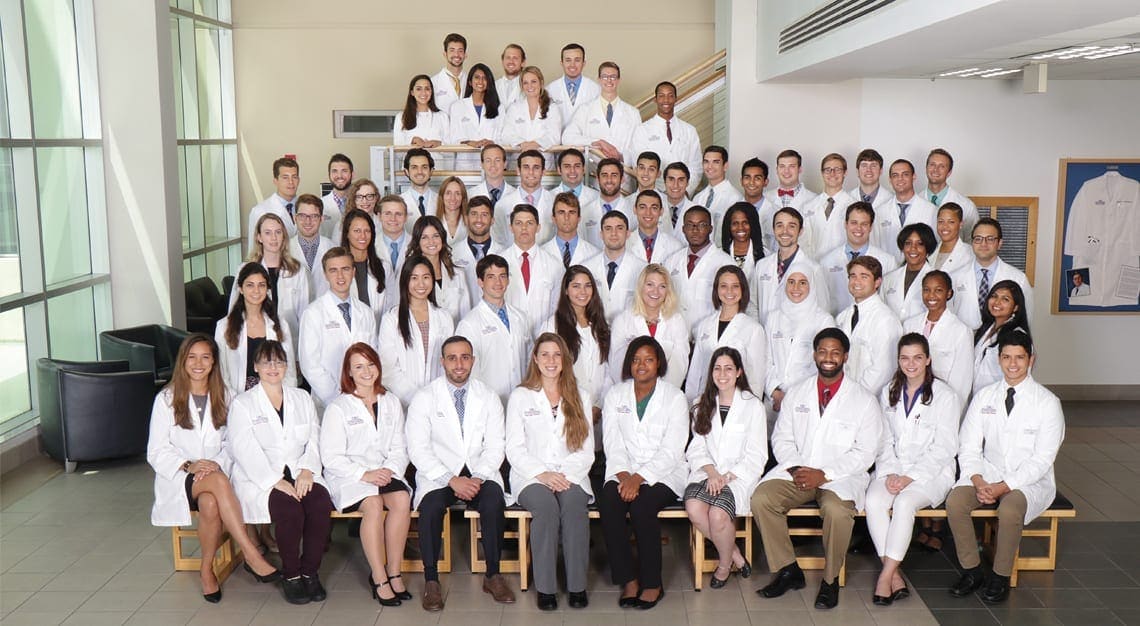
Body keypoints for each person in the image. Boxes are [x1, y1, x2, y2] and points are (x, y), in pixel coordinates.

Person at [751, 328, 882, 610]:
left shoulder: (863, 400)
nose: (828, 357)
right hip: (798, 471)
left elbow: (865, 453)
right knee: (762, 499)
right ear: (814, 354)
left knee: (836, 511)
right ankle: (788, 570)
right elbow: (781, 437)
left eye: (835, 352)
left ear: (845, 356)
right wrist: (799, 467)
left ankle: (830, 580)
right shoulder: (797, 392)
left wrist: (824, 475)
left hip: (839, 478)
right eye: (822, 351)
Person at [147, 334, 282, 602]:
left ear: (214, 362)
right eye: (192, 357)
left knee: (210, 502)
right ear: (183, 361)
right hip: (179, 477)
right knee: (217, 483)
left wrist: (216, 463)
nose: (199, 363)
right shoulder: (166, 399)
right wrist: (189, 464)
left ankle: (206, 569)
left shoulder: (228, 396)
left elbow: (235, 442)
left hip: (217, 474)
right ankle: (251, 553)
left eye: (206, 357)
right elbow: (156, 451)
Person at [947, 332, 1063, 604]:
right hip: (987, 473)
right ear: (999, 360)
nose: (1013, 364)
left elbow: (1042, 460)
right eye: (1007, 357)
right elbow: (969, 447)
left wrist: (1003, 487)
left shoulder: (1047, 403)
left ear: (1031, 360)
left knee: (1010, 508)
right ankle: (972, 571)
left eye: (1019, 357)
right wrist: (977, 480)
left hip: (1029, 481)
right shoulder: (984, 397)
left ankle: (999, 576)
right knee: (955, 502)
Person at [406, 336, 516, 611]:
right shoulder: (425, 397)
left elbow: (495, 446)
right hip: (440, 474)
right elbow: (417, 449)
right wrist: (451, 480)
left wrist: (477, 477)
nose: (459, 363)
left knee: (492, 502)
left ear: (473, 360)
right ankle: (431, 580)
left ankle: (493, 574)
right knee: (430, 508)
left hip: (480, 472)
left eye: (465, 357)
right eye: (452, 358)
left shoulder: (488, 396)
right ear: (442, 361)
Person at [228, 340, 334, 605]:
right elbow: (244, 449)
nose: (273, 367)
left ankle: (310, 571)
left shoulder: (302, 397)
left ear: (287, 365)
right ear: (255, 366)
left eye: (278, 361)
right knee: (290, 510)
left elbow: (314, 436)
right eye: (266, 361)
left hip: (301, 471)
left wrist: (308, 470)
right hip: (262, 478)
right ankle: (292, 575)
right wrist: (275, 481)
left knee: (320, 504)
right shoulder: (244, 404)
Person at [865, 333, 961, 605]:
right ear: (898, 360)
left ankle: (885, 577)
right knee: (873, 500)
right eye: (905, 358)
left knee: (905, 504)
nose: (911, 364)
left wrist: (909, 477)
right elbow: (883, 440)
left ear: (928, 359)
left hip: (931, 473)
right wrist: (893, 472)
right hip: (893, 469)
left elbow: (945, 448)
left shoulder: (945, 396)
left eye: (918, 358)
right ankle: (894, 574)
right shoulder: (888, 392)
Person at [506, 333, 595, 611]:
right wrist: (543, 474)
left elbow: (586, 449)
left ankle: (576, 585)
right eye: (544, 354)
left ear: (565, 359)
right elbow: (514, 448)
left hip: (571, 473)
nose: (551, 360)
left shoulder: (581, 395)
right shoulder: (521, 396)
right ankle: (545, 588)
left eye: (557, 354)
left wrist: (563, 475)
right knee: (545, 509)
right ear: (535, 358)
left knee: (574, 506)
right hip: (531, 474)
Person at [319, 343, 412, 606]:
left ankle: (395, 571)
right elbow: (332, 457)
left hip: (385, 470)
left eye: (370, 364)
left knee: (401, 501)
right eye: (358, 366)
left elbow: (400, 446)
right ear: (348, 373)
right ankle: (379, 576)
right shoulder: (339, 407)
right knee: (372, 504)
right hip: (350, 475)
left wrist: (389, 470)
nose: (366, 371)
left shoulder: (391, 401)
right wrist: (365, 474)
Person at [599, 337, 689, 610]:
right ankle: (628, 580)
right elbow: (612, 443)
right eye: (636, 359)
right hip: (622, 468)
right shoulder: (616, 395)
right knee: (610, 502)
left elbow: (673, 450)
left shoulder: (674, 397)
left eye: (648, 359)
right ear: (629, 363)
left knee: (641, 506)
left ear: (658, 363)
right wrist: (625, 475)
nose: (641, 365)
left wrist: (639, 478)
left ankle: (652, 583)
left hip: (665, 473)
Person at [684, 347, 767, 588]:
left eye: (729, 368)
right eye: (717, 368)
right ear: (711, 373)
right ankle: (735, 556)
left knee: (718, 514)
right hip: (707, 473)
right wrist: (712, 473)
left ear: (739, 372)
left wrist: (726, 477)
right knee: (694, 508)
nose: (722, 374)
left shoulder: (753, 406)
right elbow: (696, 447)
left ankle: (723, 564)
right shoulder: (702, 403)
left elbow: (757, 455)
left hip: (738, 477)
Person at [298, 247, 378, 411]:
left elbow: (373, 357)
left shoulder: (366, 312)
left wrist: (361, 393)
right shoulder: (313, 313)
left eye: (345, 269)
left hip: (364, 398)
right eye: (333, 270)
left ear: (354, 271)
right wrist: (338, 397)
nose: (340, 276)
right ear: (325, 274)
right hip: (328, 400)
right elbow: (310, 365)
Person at [456, 254, 534, 404]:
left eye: (502, 276)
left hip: (522, 400)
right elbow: (468, 371)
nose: (498, 282)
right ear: (480, 282)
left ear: (508, 280)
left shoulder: (521, 317)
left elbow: (530, 358)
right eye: (491, 276)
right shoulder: (469, 324)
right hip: (488, 403)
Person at [378, 256, 456, 405]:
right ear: (405, 281)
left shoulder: (444, 317)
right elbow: (388, 369)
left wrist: (435, 397)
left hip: (439, 400)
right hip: (404, 402)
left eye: (426, 277)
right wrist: (418, 398)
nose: (421, 283)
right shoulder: (391, 319)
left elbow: (448, 362)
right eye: (414, 278)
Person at [764, 262, 836, 418]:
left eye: (802, 282)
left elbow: (824, 364)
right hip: (775, 400)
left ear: (811, 286)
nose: (796, 288)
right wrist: (774, 392)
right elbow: (765, 360)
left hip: (807, 399)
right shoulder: (773, 317)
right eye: (791, 282)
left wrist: (792, 396)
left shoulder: (823, 320)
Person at [686, 265, 767, 402]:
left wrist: (751, 409)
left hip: (737, 403)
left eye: (735, 286)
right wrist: (690, 405)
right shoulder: (704, 325)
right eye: (723, 286)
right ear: (716, 289)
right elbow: (695, 372)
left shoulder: (753, 329)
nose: (729, 291)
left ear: (743, 290)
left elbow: (756, 379)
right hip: (704, 401)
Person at [541, 266, 611, 421]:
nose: (583, 292)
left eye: (587, 286)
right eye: (576, 286)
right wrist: (577, 405)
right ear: (566, 290)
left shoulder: (601, 325)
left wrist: (599, 405)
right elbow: (546, 371)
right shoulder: (552, 326)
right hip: (567, 409)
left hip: (600, 409)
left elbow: (608, 369)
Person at [216, 263, 296, 394]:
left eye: (261, 285)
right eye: (250, 285)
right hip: (237, 399)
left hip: (274, 397)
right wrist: (236, 402)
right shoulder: (223, 327)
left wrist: (283, 400)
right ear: (240, 288)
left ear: (267, 289)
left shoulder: (280, 325)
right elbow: (221, 373)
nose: (256, 291)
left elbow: (290, 371)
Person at [608, 264, 690, 389]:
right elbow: (616, 365)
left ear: (667, 291)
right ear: (641, 287)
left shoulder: (676, 321)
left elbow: (680, 364)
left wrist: (660, 392)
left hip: (665, 393)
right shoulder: (623, 320)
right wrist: (635, 391)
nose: (655, 291)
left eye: (662, 286)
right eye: (650, 284)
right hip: (629, 392)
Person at [233, 213, 311, 344]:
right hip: (254, 339)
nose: (274, 238)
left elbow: (305, 316)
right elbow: (234, 310)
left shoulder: (298, 271)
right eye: (268, 233)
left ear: (284, 236)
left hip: (290, 340)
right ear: (259, 237)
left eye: (278, 232)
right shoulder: (244, 269)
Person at [950, 218, 1034, 330]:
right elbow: (949, 315)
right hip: (963, 341)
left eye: (990, 239)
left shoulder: (1018, 278)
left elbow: (1026, 318)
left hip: (1002, 342)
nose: (983, 244)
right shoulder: (955, 276)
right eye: (978, 239)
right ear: (972, 243)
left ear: (999, 243)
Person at [903, 270, 974, 403]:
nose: (931, 295)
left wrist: (953, 412)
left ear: (949, 293)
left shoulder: (961, 331)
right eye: (926, 290)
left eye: (938, 290)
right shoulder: (909, 325)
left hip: (942, 402)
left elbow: (962, 382)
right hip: (912, 398)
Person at [836, 255, 902, 395]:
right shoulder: (843, 317)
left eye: (864, 276)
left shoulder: (886, 320)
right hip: (842, 396)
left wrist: (855, 396)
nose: (856, 281)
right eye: (852, 276)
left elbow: (883, 370)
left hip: (867, 399)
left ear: (877, 282)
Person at [750, 207, 828, 324]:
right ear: (773, 229)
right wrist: (758, 331)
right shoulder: (762, 266)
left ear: (800, 231)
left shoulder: (813, 268)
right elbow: (752, 305)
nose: (784, 231)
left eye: (791, 226)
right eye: (780, 225)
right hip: (765, 336)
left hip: (798, 338)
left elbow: (823, 309)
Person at [818, 201, 898, 315]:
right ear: (846, 224)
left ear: (871, 227)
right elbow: (823, 301)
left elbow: (889, 301)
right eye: (854, 223)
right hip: (837, 324)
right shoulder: (827, 261)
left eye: (864, 224)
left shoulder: (888, 261)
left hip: (872, 323)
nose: (858, 228)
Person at [665, 206, 736, 328]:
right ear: (683, 229)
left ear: (710, 229)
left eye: (702, 225)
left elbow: (732, 305)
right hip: (676, 335)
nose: (695, 230)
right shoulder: (671, 261)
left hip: (709, 335)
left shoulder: (725, 263)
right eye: (690, 225)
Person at [496, 204, 562, 328]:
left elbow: (558, 307)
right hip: (508, 334)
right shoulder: (498, 262)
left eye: (530, 223)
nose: (524, 228)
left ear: (538, 227)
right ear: (511, 227)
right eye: (519, 223)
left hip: (544, 337)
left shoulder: (555, 265)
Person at [629, 82, 701, 192]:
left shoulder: (689, 130)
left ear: (676, 99)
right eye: (661, 96)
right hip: (653, 194)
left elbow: (696, 166)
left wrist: (685, 191)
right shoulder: (642, 130)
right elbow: (639, 165)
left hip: (681, 193)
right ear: (655, 99)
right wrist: (658, 193)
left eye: (670, 95)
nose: (666, 100)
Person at [562, 61, 639, 161]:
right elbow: (567, 138)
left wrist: (621, 157)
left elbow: (638, 147)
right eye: (605, 77)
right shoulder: (585, 109)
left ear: (619, 80)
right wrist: (597, 142)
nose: (609, 80)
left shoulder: (633, 113)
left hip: (622, 171)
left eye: (613, 77)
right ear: (599, 79)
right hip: (594, 171)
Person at [410, 215, 472, 321]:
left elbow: (466, 316)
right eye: (425, 237)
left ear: (442, 238)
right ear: (417, 242)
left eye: (436, 236)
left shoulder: (459, 274)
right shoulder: (409, 275)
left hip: (456, 335)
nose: (431, 242)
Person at [972, 280, 1030, 393]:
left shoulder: (1017, 336)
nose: (997, 302)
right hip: (979, 395)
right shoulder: (986, 329)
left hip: (1000, 396)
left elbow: (1020, 373)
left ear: (1015, 307)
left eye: (1005, 299)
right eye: (994, 296)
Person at [588, 211, 646, 322]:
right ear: (601, 234)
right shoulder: (587, 267)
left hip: (628, 334)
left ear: (628, 233)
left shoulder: (642, 269)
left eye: (619, 228)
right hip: (594, 332)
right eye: (608, 228)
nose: (613, 233)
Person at [876, 158, 937, 261]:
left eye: (905, 174)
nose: (900, 179)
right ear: (890, 180)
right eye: (895, 175)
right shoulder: (880, 211)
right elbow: (876, 246)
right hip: (887, 272)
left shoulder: (931, 210)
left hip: (920, 271)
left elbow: (935, 248)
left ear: (914, 177)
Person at [340, 208, 392, 323]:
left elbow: (392, 307)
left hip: (379, 334)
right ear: (347, 233)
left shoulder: (384, 268)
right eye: (357, 231)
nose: (363, 236)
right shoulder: (338, 268)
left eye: (367, 231)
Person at [493, 150, 555, 244]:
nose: (531, 172)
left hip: (546, 258)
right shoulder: (502, 204)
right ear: (518, 170)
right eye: (526, 167)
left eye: (536, 167)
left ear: (543, 171)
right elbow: (497, 241)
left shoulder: (555, 203)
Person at [802, 153, 856, 257]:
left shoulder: (854, 205)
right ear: (822, 173)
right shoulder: (808, 207)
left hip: (843, 265)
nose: (832, 173)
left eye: (837, 169)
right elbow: (803, 241)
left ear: (845, 172)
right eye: (828, 170)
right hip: (813, 266)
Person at [764, 149, 818, 251]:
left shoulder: (814, 200)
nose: (786, 171)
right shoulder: (765, 198)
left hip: (802, 260)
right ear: (776, 170)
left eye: (791, 166)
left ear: (800, 169)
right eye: (782, 166)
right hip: (770, 259)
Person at [881, 223, 938, 321]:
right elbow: (881, 312)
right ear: (902, 247)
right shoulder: (888, 279)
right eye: (908, 243)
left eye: (920, 244)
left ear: (928, 248)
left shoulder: (937, 280)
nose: (913, 248)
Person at [500, 66, 562, 151]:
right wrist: (522, 144)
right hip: (519, 157)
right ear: (521, 86)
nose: (530, 86)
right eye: (525, 83)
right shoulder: (514, 108)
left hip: (543, 158)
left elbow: (555, 136)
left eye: (533, 82)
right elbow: (506, 135)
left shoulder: (552, 108)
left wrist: (535, 144)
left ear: (541, 83)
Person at [923, 148, 979, 239]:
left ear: (949, 172)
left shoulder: (967, 205)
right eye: (932, 164)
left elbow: (972, 241)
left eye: (942, 166)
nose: (935, 170)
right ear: (926, 168)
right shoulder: (916, 200)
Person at [692, 145, 744, 240]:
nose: (710, 167)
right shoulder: (698, 198)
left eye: (716, 162)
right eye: (706, 162)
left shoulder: (735, 198)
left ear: (725, 166)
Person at [247, 157, 299, 250]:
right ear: (275, 181)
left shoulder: (306, 208)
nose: (291, 182)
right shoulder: (259, 211)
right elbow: (253, 250)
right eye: (285, 177)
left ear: (299, 180)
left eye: (294, 177)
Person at [546, 43, 600, 130]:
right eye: (568, 60)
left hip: (585, 141)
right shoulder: (549, 90)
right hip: (558, 141)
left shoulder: (596, 89)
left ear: (584, 63)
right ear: (561, 63)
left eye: (577, 60)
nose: (572, 65)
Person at [290, 193, 335, 297]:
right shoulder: (285, 249)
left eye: (314, 216)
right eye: (302, 216)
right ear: (294, 218)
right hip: (292, 312)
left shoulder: (332, 248)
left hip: (325, 310)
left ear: (322, 219)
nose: (308, 221)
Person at [451, 195, 495, 299]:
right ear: (466, 219)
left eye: (484, 215)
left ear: (492, 220)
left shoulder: (504, 253)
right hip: (461, 314)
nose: (479, 219)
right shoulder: (451, 253)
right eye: (474, 214)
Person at [448, 63, 502, 148]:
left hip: (490, 156)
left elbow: (503, 136)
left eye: (484, 78)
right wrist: (469, 142)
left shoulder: (499, 107)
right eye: (477, 77)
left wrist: (493, 142)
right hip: (465, 158)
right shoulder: (457, 106)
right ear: (470, 82)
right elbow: (453, 138)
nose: (480, 81)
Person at [542, 191, 600, 269]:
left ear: (579, 218)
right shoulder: (542, 252)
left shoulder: (594, 254)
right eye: (561, 212)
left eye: (571, 212)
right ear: (554, 218)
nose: (566, 217)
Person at [626, 190, 684, 264]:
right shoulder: (625, 244)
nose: (648, 213)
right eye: (643, 207)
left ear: (661, 211)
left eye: (654, 208)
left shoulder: (675, 246)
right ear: (635, 210)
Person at [394, 74, 449, 148]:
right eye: (419, 89)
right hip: (411, 159)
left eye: (427, 89)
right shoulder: (401, 117)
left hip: (437, 159)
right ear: (412, 92)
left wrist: (439, 144)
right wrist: (412, 140)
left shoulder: (442, 116)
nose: (423, 93)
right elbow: (397, 148)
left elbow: (450, 149)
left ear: (431, 92)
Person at [720, 200, 766, 278]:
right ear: (728, 226)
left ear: (752, 224)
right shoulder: (719, 254)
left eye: (745, 223)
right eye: (735, 223)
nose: (740, 228)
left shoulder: (766, 255)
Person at [849, 149, 894, 221]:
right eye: (864, 165)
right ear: (857, 171)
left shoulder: (891, 200)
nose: (868, 170)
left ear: (881, 171)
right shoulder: (848, 199)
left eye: (873, 166)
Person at [377, 195, 411, 287]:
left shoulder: (417, 245)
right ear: (379, 216)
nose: (393, 219)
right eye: (388, 213)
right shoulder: (370, 245)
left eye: (398, 214)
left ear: (406, 217)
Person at [740, 158, 773, 253]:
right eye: (747, 177)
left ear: (766, 182)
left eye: (757, 178)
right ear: (741, 181)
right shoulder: (731, 210)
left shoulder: (775, 212)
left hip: (767, 264)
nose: (751, 182)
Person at [932, 203, 975, 274]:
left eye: (951, 222)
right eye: (941, 221)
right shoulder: (930, 252)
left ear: (960, 224)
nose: (945, 226)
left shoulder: (970, 253)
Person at [400, 149, 438, 227]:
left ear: (431, 171)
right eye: (414, 167)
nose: (419, 172)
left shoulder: (441, 201)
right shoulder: (398, 202)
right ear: (406, 172)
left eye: (424, 167)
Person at [430, 33, 467, 111]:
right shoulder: (433, 82)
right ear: (445, 54)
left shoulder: (472, 82)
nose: (456, 54)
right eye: (452, 50)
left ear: (465, 55)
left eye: (460, 51)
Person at [321, 154, 354, 239]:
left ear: (352, 174)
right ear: (329, 175)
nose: (339, 175)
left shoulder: (361, 203)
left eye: (344, 171)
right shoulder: (320, 205)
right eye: (334, 171)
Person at [662, 162, 695, 237]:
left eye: (681, 180)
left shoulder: (698, 212)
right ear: (665, 182)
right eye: (671, 179)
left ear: (687, 183)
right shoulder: (653, 210)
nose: (675, 185)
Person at [434, 176, 469, 245]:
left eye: (457, 193)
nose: (452, 198)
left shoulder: (470, 221)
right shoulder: (433, 221)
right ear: (442, 196)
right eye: (448, 193)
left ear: (463, 197)